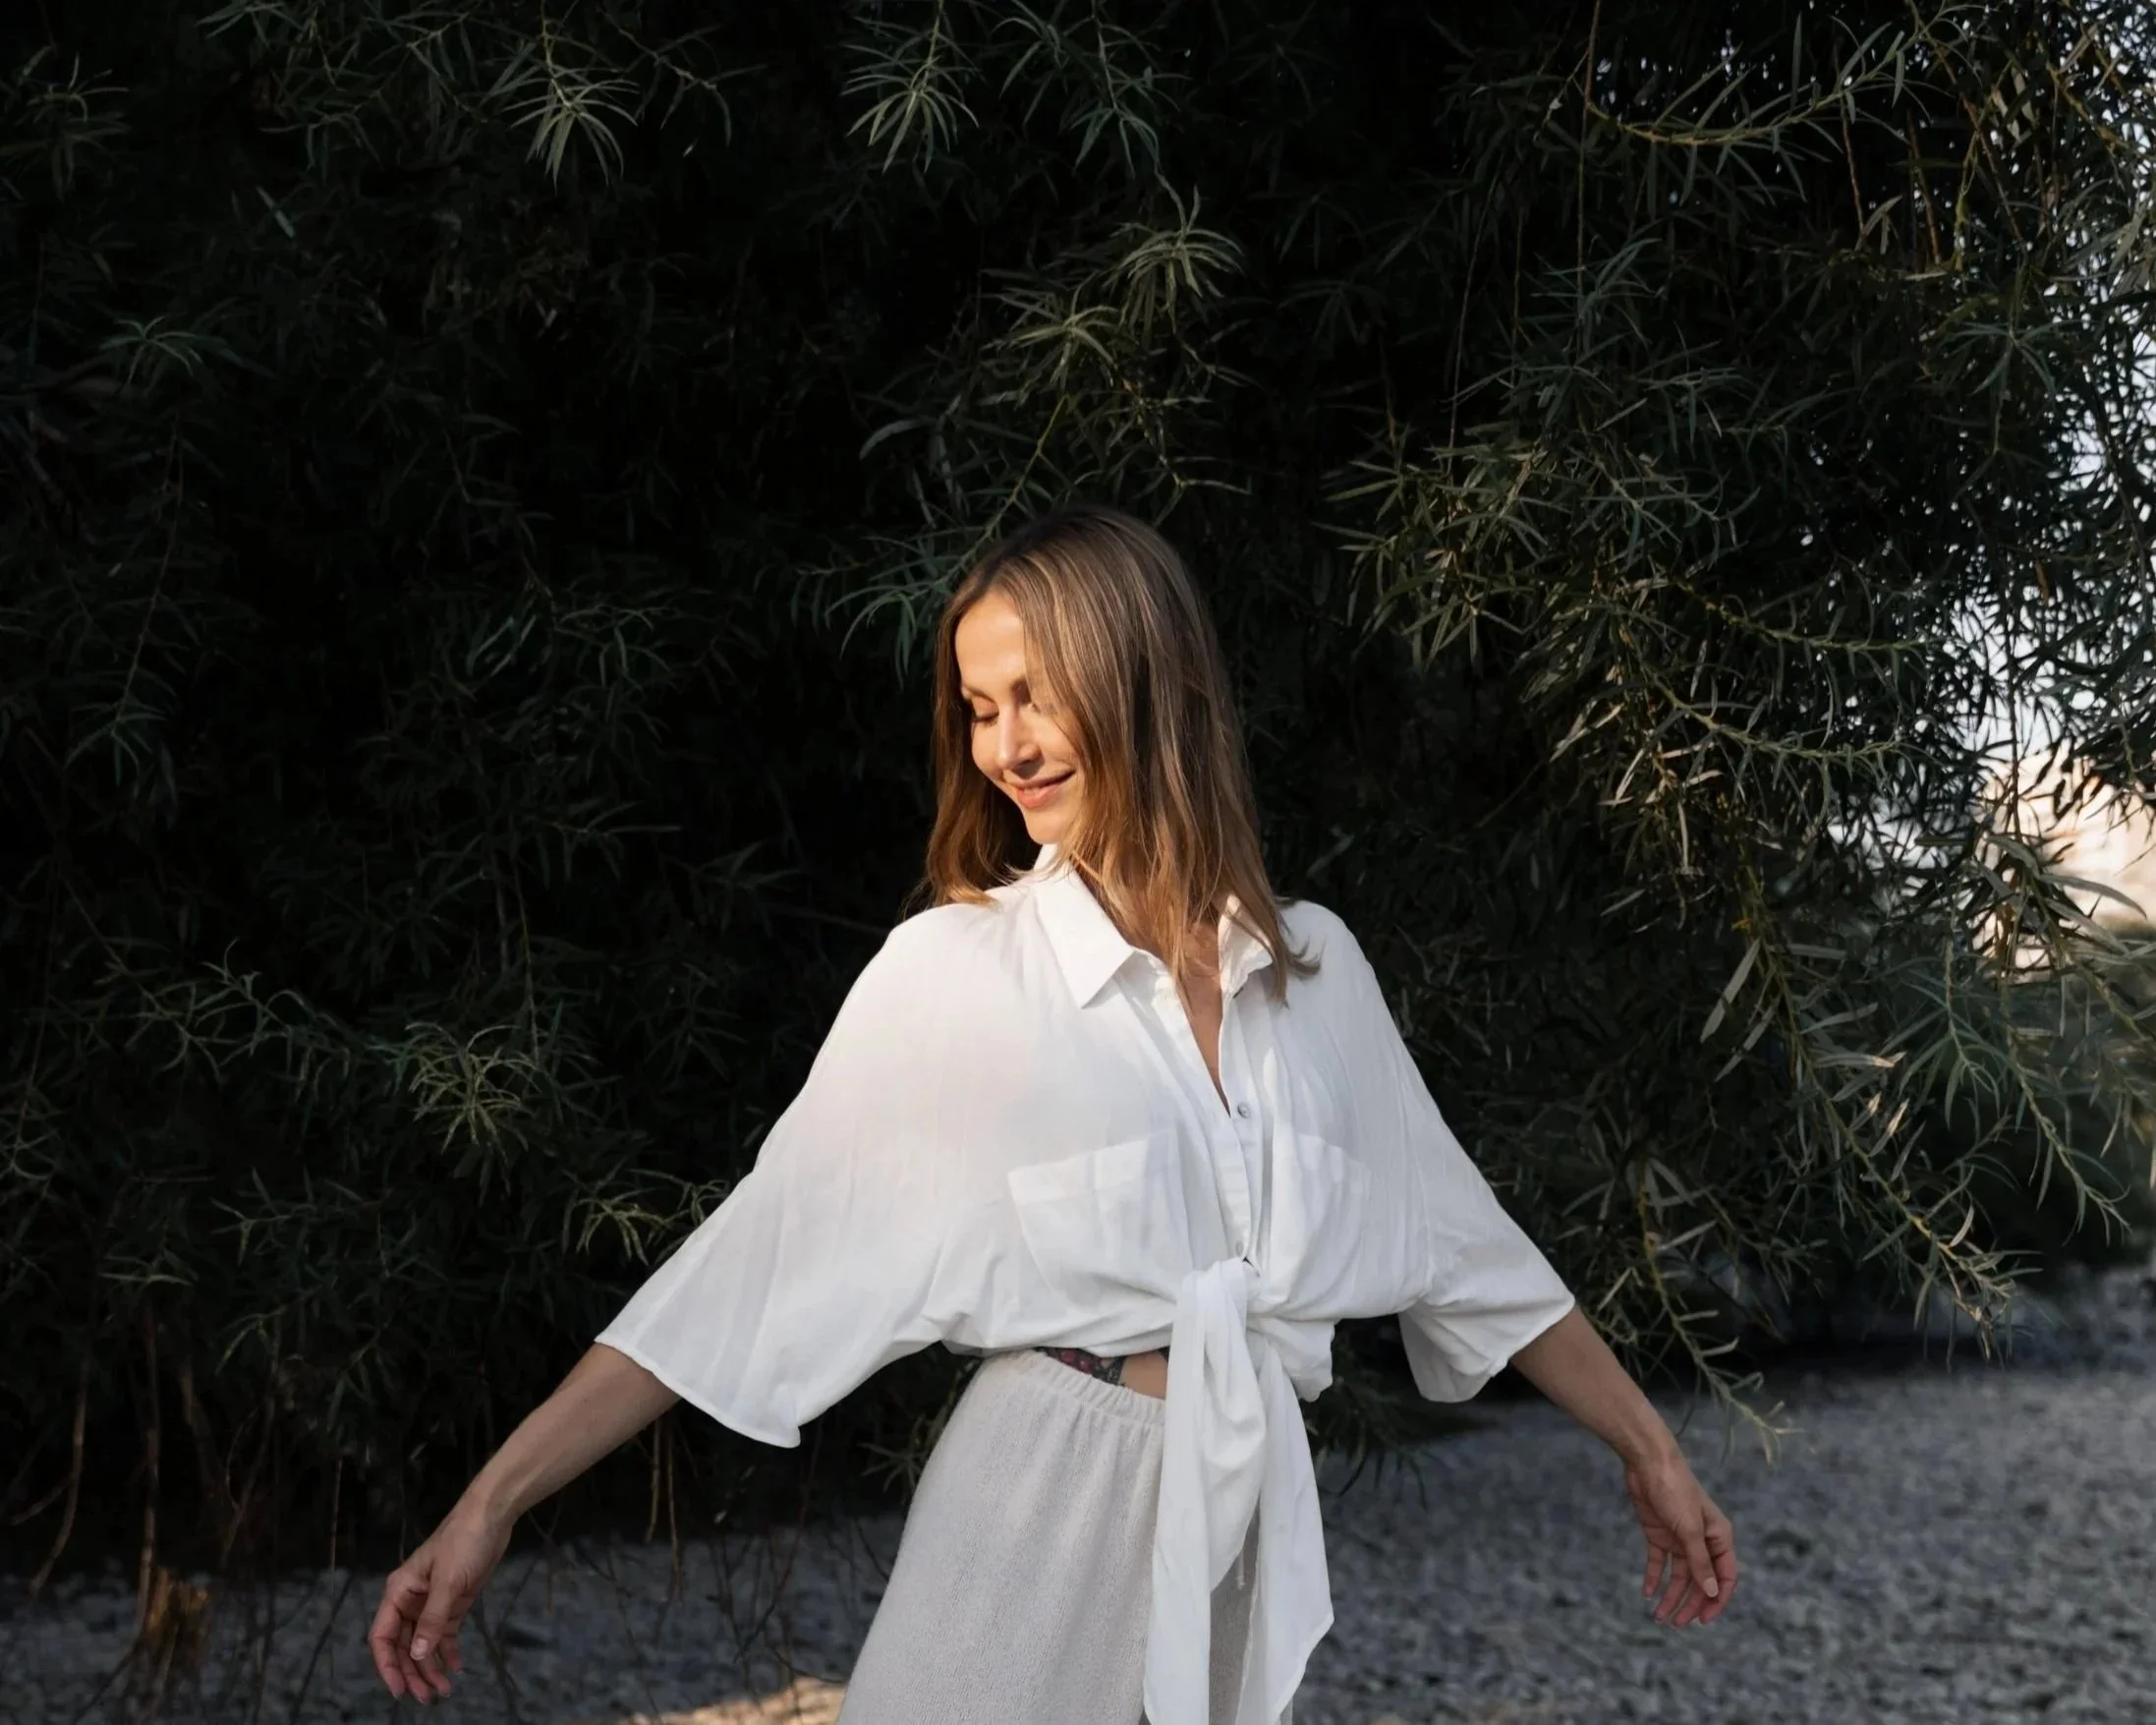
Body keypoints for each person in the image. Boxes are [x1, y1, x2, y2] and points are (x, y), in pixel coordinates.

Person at [366, 504, 1739, 1725]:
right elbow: (746, 1263)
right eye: (979, 708)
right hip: (1036, 1504)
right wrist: (492, 1502)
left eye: (1034, 695)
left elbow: (1466, 1244)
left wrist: (1652, 1451)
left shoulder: (1314, 970)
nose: (1005, 746)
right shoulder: (957, 975)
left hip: (1240, 1502)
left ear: (1143, 680)